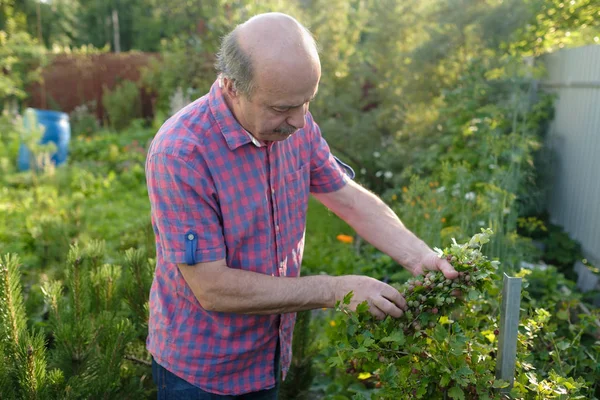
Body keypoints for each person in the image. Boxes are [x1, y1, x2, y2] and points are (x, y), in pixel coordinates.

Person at [145, 12, 457, 399]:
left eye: (307, 102)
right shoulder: (182, 154)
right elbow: (213, 288)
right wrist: (333, 290)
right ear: (231, 86)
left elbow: (349, 199)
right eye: (281, 108)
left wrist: (419, 258)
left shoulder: (297, 124)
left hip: (270, 357)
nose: (299, 120)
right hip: (202, 373)